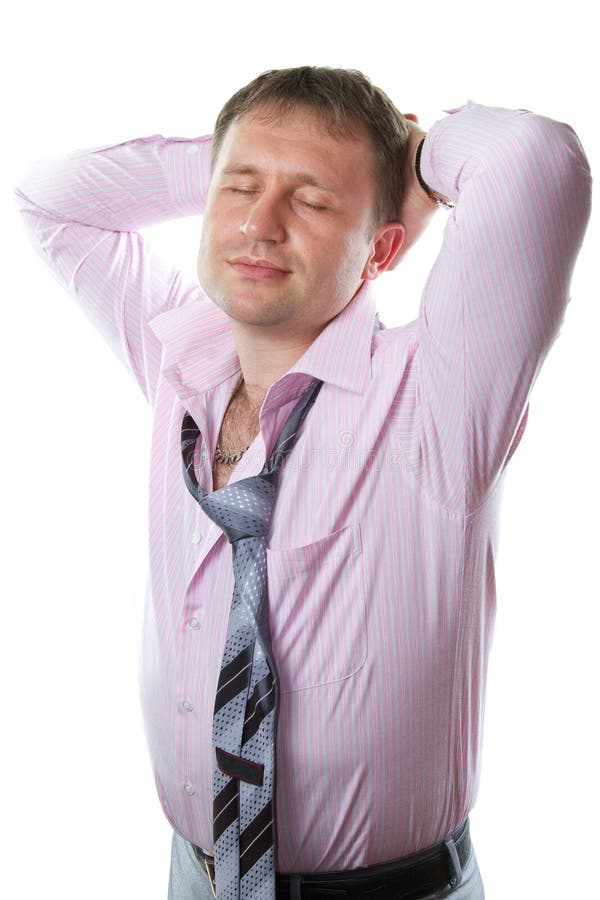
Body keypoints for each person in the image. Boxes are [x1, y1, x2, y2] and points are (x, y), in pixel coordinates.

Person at [13, 67, 591, 900]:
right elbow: (49, 198)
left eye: (313, 203)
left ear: (384, 248)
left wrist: (415, 161)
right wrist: (254, 156)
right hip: (194, 876)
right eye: (237, 190)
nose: (258, 224)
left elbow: (535, 161)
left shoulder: (436, 399)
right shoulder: (182, 367)